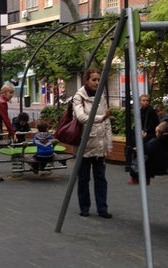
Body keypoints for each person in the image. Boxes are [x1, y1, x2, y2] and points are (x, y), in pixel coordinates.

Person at [73, 68, 113, 219]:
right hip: (84, 144)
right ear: (86, 80)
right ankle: (84, 207)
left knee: (101, 179)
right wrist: (101, 117)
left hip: (99, 145)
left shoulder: (101, 98)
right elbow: (82, 118)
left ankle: (102, 208)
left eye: (98, 80)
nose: (97, 82)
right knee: (83, 179)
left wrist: (109, 144)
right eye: (94, 79)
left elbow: (108, 122)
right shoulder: (79, 97)